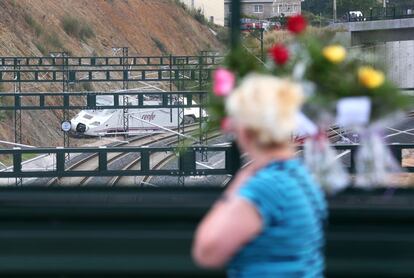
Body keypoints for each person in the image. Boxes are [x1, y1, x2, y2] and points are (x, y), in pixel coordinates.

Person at [192, 74, 327, 277]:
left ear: (246, 130)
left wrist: (234, 188)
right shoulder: (299, 174)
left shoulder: (266, 188)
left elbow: (206, 253)